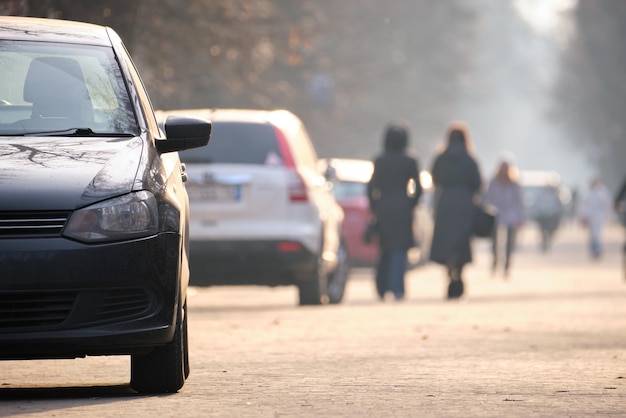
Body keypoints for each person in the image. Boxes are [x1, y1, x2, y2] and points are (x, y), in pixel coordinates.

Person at [367, 120, 422, 301]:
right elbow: (418, 188)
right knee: (399, 250)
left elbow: (371, 187)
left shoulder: (380, 160)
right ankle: (397, 288)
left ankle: (382, 288)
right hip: (403, 209)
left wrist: (375, 207)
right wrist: (411, 204)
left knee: (384, 248)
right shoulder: (410, 160)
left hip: (384, 208)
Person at [429, 122, 482, 299]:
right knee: (461, 242)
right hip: (465, 205)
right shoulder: (469, 159)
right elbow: (477, 183)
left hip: (445, 204)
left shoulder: (441, 158)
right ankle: (458, 274)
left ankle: (450, 272)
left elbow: (434, 178)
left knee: (446, 242)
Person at [484, 158, 525, 277]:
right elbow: (488, 198)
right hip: (495, 214)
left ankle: (507, 264)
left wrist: (520, 217)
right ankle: (495, 261)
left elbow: (520, 201)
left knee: (510, 242)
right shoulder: (494, 182)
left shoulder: (514, 184)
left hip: (511, 214)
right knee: (494, 241)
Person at [578, 176, 612, 259]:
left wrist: (608, 215)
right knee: (591, 234)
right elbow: (583, 205)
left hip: (599, 216)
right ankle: (592, 250)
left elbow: (607, 204)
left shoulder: (603, 192)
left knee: (597, 234)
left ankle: (598, 250)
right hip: (590, 216)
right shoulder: (587, 192)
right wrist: (583, 216)